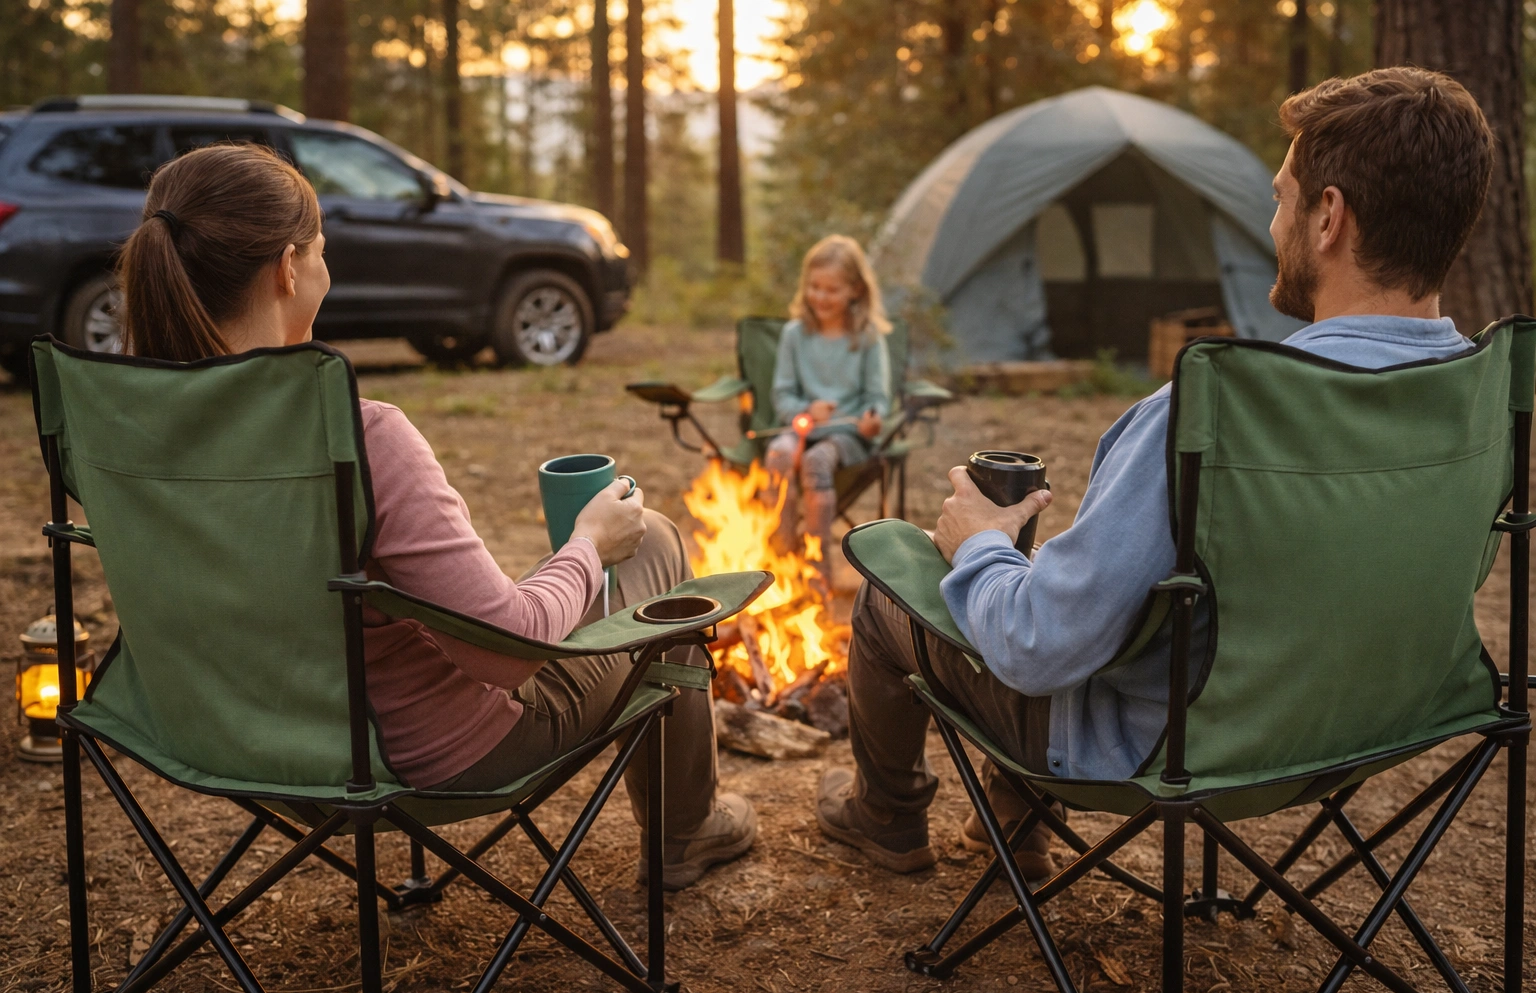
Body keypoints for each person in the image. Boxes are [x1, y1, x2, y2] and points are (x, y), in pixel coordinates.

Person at [815, 67, 1498, 879]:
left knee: (895, 582)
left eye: (1280, 198)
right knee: (1076, 578)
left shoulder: (1211, 414)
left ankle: (886, 819)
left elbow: (1039, 648)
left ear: (1328, 217)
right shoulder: (1485, 395)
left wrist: (977, 547)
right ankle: (1009, 824)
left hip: (1162, 748)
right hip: (1377, 727)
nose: (1269, 219)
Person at [114, 143, 755, 891]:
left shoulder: (127, 434)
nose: (325, 268)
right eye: (323, 251)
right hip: (415, 758)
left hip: (221, 738)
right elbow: (509, 652)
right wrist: (587, 543)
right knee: (656, 545)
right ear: (290, 269)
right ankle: (688, 832)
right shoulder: (360, 437)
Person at [763, 236, 892, 578]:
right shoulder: (795, 335)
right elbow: (782, 396)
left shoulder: (867, 337)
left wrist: (872, 420)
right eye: (814, 287)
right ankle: (781, 556)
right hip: (804, 426)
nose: (820, 297)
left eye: (831, 289)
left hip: (847, 436)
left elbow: (877, 398)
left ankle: (817, 566)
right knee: (778, 454)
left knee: (815, 460)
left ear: (855, 290)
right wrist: (805, 411)